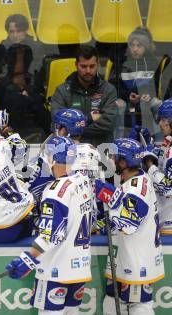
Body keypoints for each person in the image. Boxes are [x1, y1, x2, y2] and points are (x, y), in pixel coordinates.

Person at [6, 136, 95, 314]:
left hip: (55, 270)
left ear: (53, 158)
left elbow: (50, 235)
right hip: (80, 269)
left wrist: (28, 259)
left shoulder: (54, 192)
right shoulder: (85, 182)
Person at [95, 138, 164, 315]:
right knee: (111, 300)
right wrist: (100, 223)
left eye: (115, 156)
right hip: (127, 258)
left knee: (139, 306)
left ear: (124, 161)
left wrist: (109, 195)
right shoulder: (134, 182)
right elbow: (117, 214)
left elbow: (128, 225)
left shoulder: (137, 187)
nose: (112, 159)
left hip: (136, 262)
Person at [51, 45, 118, 147]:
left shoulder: (109, 90)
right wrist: (90, 118)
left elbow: (108, 125)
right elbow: (58, 125)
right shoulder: (62, 91)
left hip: (102, 148)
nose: (88, 71)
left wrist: (72, 126)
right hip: (70, 149)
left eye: (92, 66)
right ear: (76, 65)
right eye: (83, 66)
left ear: (98, 65)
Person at [109, 27, 163, 139]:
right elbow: (113, 86)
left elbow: (156, 86)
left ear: (146, 47)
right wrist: (127, 96)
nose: (135, 49)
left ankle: (159, 141)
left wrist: (148, 94)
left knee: (158, 104)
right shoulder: (121, 62)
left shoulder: (152, 62)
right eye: (132, 45)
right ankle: (117, 140)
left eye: (139, 46)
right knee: (118, 105)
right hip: (125, 99)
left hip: (144, 99)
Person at [0, 43, 49, 142]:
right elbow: (4, 105)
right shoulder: (0, 82)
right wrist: (26, 98)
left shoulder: (34, 81)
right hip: (11, 128)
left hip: (36, 129)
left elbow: (41, 111)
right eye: (16, 59)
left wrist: (28, 98)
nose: (19, 64)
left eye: (23, 60)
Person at [142, 98, 172, 234]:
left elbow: (168, 188)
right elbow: (163, 164)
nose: (159, 123)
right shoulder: (168, 141)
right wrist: (150, 146)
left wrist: (149, 164)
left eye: (163, 120)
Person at [0, 14, 34, 88]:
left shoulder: (34, 48)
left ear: (26, 31)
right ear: (7, 32)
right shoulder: (0, 49)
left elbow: (35, 73)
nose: (15, 35)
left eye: (19, 31)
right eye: (11, 32)